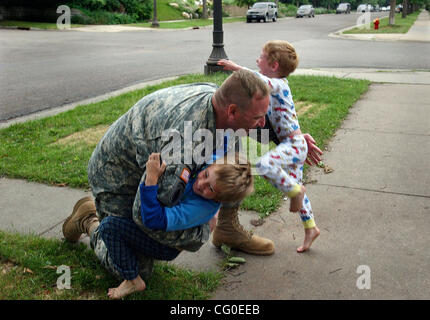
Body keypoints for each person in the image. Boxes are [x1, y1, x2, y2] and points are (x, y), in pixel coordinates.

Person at [62, 69, 322, 288]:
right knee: (136, 270)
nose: (262, 123)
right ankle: (89, 220)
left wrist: (291, 138)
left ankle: (228, 229)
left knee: (231, 159)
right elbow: (148, 217)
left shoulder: (219, 102)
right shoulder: (181, 148)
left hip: (151, 165)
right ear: (231, 111)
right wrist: (198, 234)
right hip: (118, 178)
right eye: (257, 118)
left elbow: (250, 123)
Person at [63, 152, 253, 299]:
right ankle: (89, 217)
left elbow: (155, 220)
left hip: (163, 244)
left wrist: (152, 178)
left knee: (109, 227)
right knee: (123, 237)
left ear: (218, 198)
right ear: (210, 166)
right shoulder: (210, 164)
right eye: (205, 175)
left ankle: (131, 278)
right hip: (156, 222)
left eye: (210, 189)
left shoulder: (200, 207)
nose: (201, 184)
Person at [218, 40, 321, 253]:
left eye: (261, 57)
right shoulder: (275, 88)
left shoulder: (280, 84)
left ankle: (295, 191)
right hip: (293, 143)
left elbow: (258, 80)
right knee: (294, 184)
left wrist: (236, 68)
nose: (257, 60)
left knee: (264, 165)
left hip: (293, 144)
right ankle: (310, 227)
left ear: (274, 66)